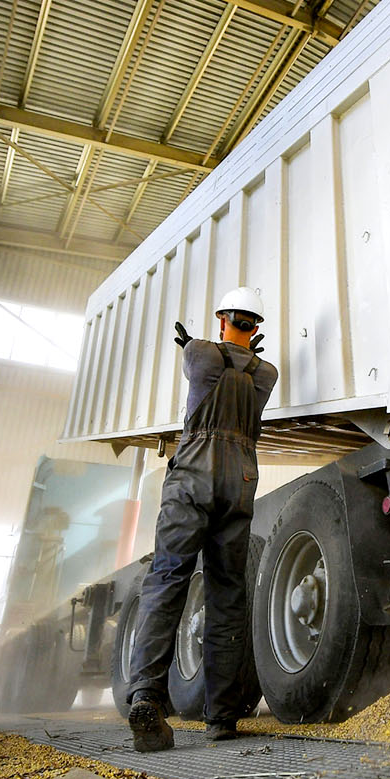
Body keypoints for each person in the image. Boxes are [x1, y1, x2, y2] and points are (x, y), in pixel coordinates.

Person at [127, 286, 278, 751]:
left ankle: (147, 698)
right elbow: (240, 366)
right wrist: (244, 351)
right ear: (256, 328)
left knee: (168, 580)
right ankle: (222, 718)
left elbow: (203, 365)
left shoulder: (197, 352)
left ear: (221, 319)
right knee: (227, 596)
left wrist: (201, 342)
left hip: (193, 477)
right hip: (239, 481)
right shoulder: (266, 371)